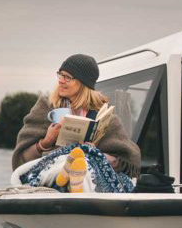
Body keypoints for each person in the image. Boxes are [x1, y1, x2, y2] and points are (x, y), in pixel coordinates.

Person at [12, 54, 141, 177]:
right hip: (48, 180)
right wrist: (46, 142)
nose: (61, 81)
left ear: (83, 83)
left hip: (89, 186)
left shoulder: (105, 118)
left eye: (67, 77)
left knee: (83, 168)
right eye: (60, 75)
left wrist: (95, 154)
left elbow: (128, 162)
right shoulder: (46, 107)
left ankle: (76, 176)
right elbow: (20, 161)